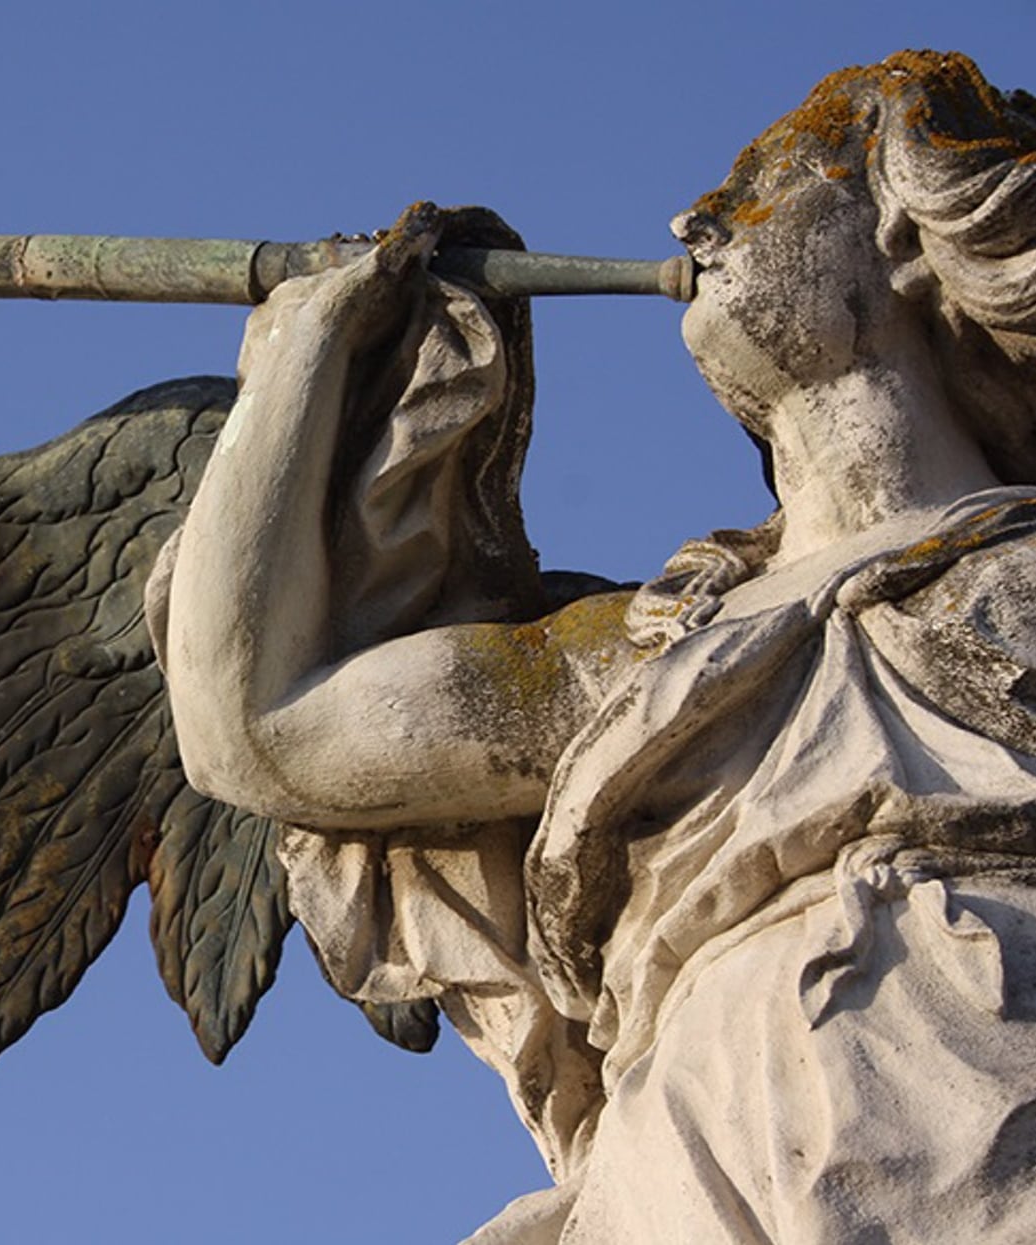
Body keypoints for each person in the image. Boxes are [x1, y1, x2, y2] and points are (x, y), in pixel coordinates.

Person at [150, 50, 1036, 1243]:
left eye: (772, 182)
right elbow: (259, 729)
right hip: (690, 1159)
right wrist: (304, 358)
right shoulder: (658, 646)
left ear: (901, 234)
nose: (696, 220)